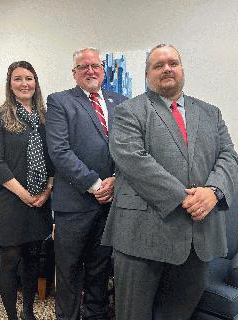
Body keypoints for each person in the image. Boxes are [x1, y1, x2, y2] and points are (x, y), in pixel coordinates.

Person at [102, 44, 238, 320]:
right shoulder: (129, 110)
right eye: (158, 65)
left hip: (197, 238)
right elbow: (132, 159)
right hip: (141, 235)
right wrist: (184, 197)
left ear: (182, 69)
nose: (167, 68)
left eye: (172, 63)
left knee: (178, 314)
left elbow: (228, 156)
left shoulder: (211, 113)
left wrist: (213, 192)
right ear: (147, 74)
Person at [45, 47, 127, 320]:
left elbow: (129, 148)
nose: (90, 71)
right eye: (84, 67)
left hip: (110, 205)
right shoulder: (59, 101)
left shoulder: (121, 102)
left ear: (103, 70)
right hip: (75, 204)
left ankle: (96, 314)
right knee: (68, 271)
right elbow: (59, 151)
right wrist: (94, 184)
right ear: (74, 73)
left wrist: (116, 180)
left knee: (100, 268)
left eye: (95, 66)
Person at [0, 61, 54, 320]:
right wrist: (25, 194)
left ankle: (28, 312)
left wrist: (46, 191)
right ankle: (12, 316)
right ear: (9, 84)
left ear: (36, 82)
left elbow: (52, 158)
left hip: (40, 200)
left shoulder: (45, 118)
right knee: (10, 260)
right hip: (11, 201)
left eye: (29, 78)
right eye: (18, 79)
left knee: (33, 258)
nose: (24, 83)